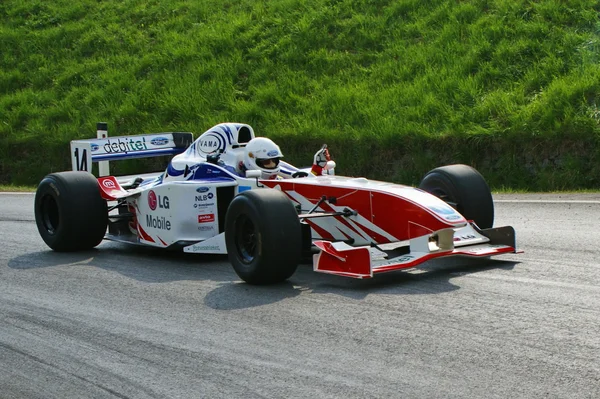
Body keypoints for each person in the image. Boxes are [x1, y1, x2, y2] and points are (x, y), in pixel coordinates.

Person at [239, 137, 333, 179]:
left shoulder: (278, 172)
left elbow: (297, 176)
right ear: (251, 161)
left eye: (275, 161)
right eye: (267, 162)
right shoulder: (242, 178)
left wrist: (316, 169)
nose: (272, 165)